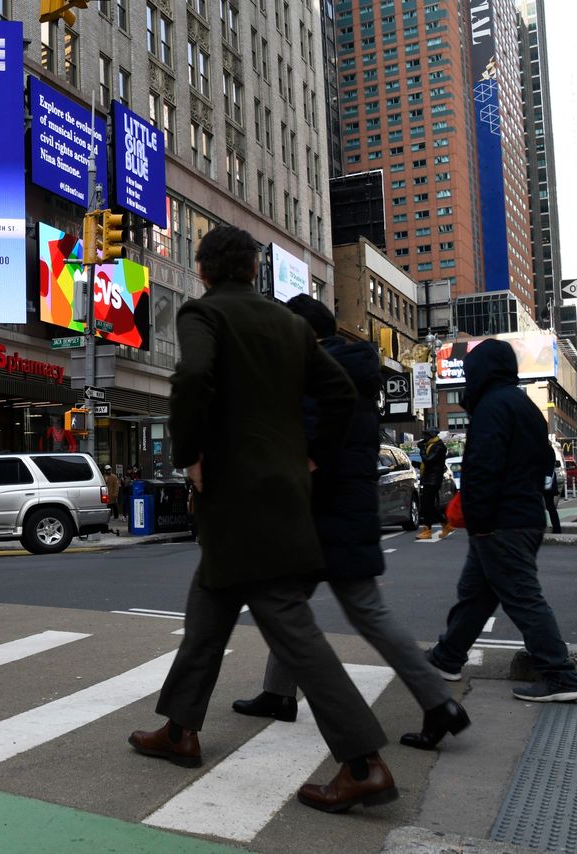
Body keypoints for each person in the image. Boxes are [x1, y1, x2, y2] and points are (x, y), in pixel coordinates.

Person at [127, 224, 399, 814]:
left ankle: (363, 762)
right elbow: (339, 394)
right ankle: (179, 729)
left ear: (202, 270)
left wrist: (190, 457)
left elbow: (194, 377)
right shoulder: (290, 324)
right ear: (254, 270)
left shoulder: (203, 316)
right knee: (208, 608)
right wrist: (311, 454)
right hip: (281, 493)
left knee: (290, 627)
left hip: (233, 495)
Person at [232, 295, 468, 751]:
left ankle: (439, 704)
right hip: (342, 512)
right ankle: (279, 693)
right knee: (294, 608)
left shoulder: (318, 377)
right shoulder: (347, 372)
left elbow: (304, 452)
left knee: (353, 613)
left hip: (326, 515)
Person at [427, 339, 577, 703]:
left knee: (523, 599)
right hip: (522, 515)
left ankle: (561, 677)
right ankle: (447, 657)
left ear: (479, 371)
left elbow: (482, 469)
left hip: (501, 522)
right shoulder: (523, 406)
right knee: (477, 595)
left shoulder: (491, 408)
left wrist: (480, 521)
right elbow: (546, 461)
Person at [417, 428, 452, 540]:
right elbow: (429, 464)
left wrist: (422, 450)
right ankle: (445, 524)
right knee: (428, 505)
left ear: (431, 436)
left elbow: (429, 460)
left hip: (433, 480)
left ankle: (428, 530)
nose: (424, 438)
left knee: (428, 505)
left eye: (426, 436)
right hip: (429, 478)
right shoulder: (432, 445)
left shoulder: (438, 446)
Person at [543, 468, 562, 534]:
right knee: (550, 506)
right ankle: (557, 528)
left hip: (545, 481)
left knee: (550, 506)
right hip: (547, 481)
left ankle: (556, 528)